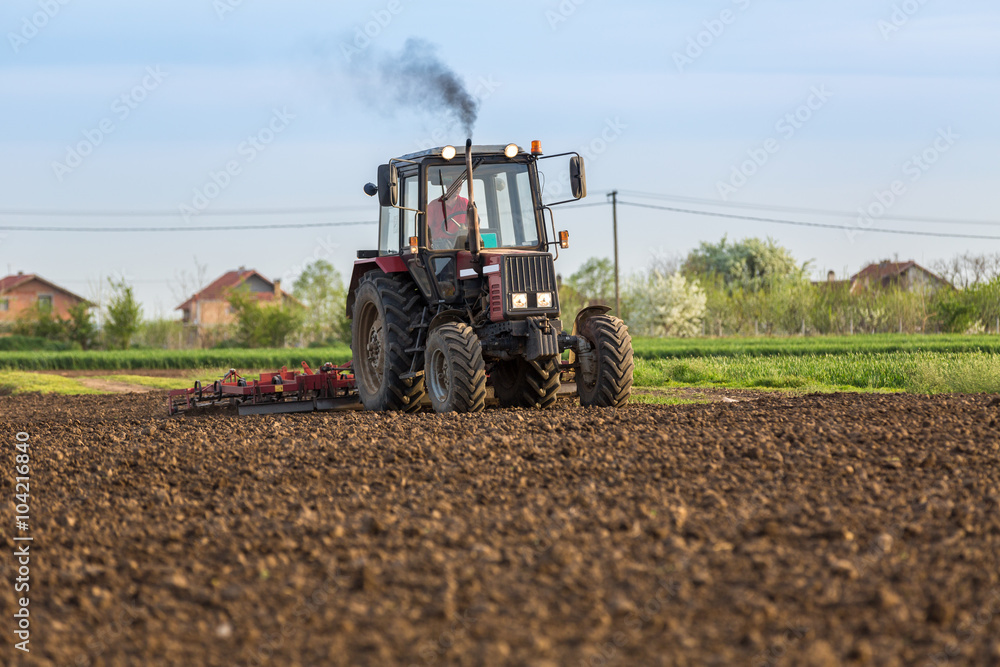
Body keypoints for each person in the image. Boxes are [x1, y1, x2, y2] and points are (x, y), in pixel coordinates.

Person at [426, 173, 469, 250]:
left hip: (462, 243)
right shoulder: (434, 205)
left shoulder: (465, 203)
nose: (457, 188)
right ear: (447, 186)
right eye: (454, 185)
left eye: (459, 185)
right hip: (441, 246)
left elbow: (475, 223)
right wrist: (428, 248)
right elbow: (425, 228)